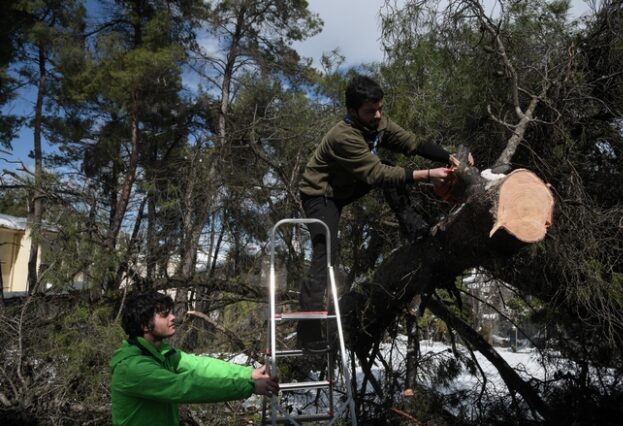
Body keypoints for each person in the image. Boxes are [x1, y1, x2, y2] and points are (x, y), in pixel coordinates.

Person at [297, 74, 472, 352]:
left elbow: (412, 142)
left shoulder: (378, 122)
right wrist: (428, 175)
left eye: (380, 108)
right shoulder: (343, 136)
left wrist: (449, 158)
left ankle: (414, 227)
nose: (378, 115)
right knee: (325, 256)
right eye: (370, 111)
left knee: (392, 166)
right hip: (321, 196)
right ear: (353, 111)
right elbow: (376, 174)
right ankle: (306, 335)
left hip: (349, 185)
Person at [110, 290, 279, 426]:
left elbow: (200, 366)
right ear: (145, 325)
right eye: (164, 315)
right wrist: (249, 386)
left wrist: (248, 374)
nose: (173, 317)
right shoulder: (132, 368)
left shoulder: (162, 354)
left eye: (171, 313)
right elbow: (186, 387)